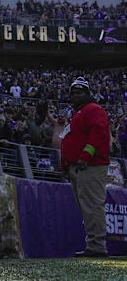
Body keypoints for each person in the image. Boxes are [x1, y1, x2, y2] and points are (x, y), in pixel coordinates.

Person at [61, 77, 111, 258]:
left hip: (90, 165)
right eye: (72, 92)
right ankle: (94, 244)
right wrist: (66, 165)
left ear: (88, 93)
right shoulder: (78, 113)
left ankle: (97, 246)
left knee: (92, 206)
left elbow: (99, 133)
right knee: (87, 208)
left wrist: (85, 156)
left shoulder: (93, 110)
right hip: (78, 166)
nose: (75, 95)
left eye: (79, 92)